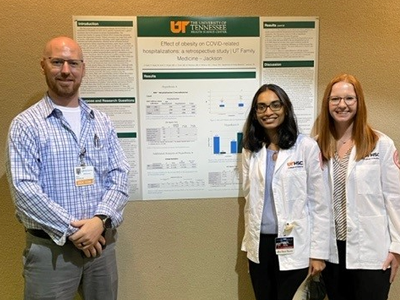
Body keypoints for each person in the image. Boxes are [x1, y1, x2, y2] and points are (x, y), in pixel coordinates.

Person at [6, 36, 130, 300]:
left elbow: (120, 176)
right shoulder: (26, 125)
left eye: (73, 63)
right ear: (43, 65)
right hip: (51, 251)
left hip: (102, 248)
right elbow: (24, 191)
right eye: (57, 62)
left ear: (82, 68)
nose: (65, 70)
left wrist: (100, 221)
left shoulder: (102, 122)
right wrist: (77, 231)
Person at [313, 73, 400, 300]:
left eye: (349, 98)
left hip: (372, 250)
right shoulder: (316, 146)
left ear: (359, 102)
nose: (342, 105)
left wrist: (397, 249)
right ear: (327, 103)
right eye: (335, 99)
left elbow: (395, 198)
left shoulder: (381, 144)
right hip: (333, 252)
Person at [241, 83, 330, 300]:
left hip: (294, 244)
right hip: (260, 245)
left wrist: (317, 254)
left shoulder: (306, 147)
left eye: (274, 105)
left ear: (286, 108)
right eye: (261, 107)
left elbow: (320, 204)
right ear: (255, 113)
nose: (268, 112)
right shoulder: (250, 150)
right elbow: (249, 197)